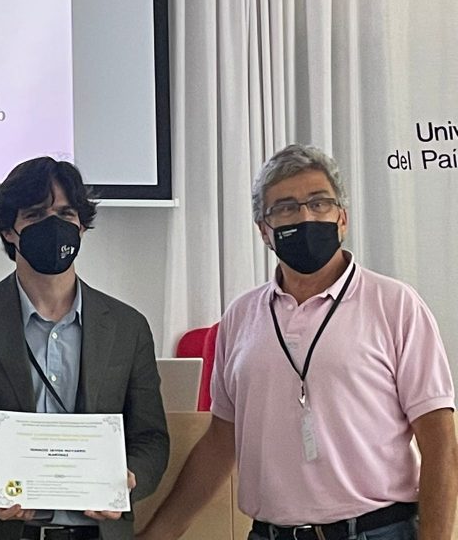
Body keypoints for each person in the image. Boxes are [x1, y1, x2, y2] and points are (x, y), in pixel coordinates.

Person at [137, 143, 458, 540]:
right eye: (285, 208)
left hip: (376, 530)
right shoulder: (241, 316)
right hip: (269, 533)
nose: (305, 217)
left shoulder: (396, 305)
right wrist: (158, 534)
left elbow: (439, 442)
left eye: (319, 203)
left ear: (342, 218)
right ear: (264, 230)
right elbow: (221, 441)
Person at [0, 156, 170, 540]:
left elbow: (151, 438)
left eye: (66, 213)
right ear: (9, 230)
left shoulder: (127, 327)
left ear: (82, 226)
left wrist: (129, 480)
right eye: (36, 215)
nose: (53, 226)